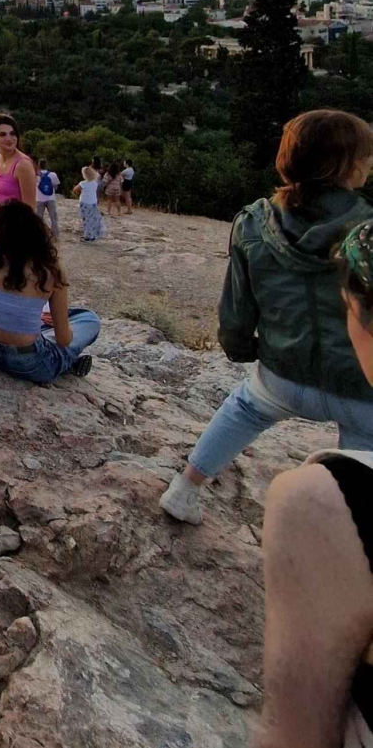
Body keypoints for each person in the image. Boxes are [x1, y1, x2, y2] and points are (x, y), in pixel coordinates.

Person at [160, 109, 373, 527]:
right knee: (364, 443)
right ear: (346, 166)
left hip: (283, 376)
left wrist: (246, 349)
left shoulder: (254, 221)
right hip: (361, 388)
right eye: (366, 156)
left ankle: (183, 490)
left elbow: (236, 312)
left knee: (245, 407)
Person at [254, 217, 373, 748]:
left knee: (242, 406)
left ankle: (187, 479)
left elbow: (294, 736)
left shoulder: (324, 503)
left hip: (276, 374)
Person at [0, 201, 99, 384]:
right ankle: (68, 361)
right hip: (28, 362)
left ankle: (56, 350)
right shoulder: (52, 269)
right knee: (89, 318)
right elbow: (64, 339)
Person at [0, 113, 37, 210]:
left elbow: (30, 210)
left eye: (12, 133)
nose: (9, 139)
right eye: (2, 134)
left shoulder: (23, 165)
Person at [75, 166, 105, 242]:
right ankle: (93, 235)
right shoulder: (95, 183)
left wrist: (80, 193)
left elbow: (75, 189)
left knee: (86, 219)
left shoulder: (83, 183)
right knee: (92, 219)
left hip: (85, 202)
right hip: (93, 202)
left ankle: (87, 236)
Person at [34, 158, 61, 239]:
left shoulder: (35, 175)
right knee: (53, 218)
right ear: (47, 165)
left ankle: (40, 236)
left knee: (39, 218)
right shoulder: (53, 174)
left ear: (38, 166)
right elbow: (56, 186)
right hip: (51, 198)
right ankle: (56, 236)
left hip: (39, 199)